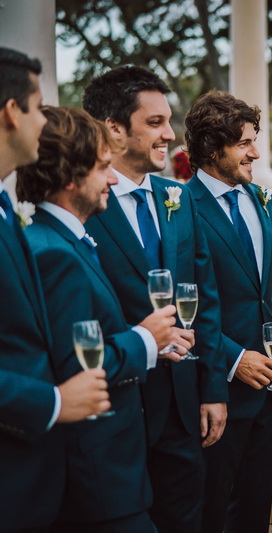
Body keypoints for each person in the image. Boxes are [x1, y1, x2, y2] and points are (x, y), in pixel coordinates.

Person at [17, 105, 178, 532]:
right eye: (104, 167)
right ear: (70, 178)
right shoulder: (54, 253)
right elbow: (77, 371)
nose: (112, 179)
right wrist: (145, 340)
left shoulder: (61, 240)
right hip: (98, 475)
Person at [83, 66, 229, 532]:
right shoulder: (82, 204)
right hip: (114, 407)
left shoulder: (176, 197)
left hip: (184, 406)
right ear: (113, 128)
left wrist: (211, 389)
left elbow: (203, 295)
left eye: (169, 120)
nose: (170, 134)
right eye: (154, 123)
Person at [0, 46, 110, 531]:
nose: (44, 123)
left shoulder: (6, 212)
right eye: (38, 107)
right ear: (10, 112)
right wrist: (55, 402)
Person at [184, 90, 272, 532]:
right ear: (213, 148)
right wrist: (233, 358)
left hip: (268, 383)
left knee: (255, 508)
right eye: (244, 143)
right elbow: (182, 306)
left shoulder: (263, 201)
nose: (255, 152)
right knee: (213, 508)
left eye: (255, 140)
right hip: (214, 384)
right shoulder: (179, 208)